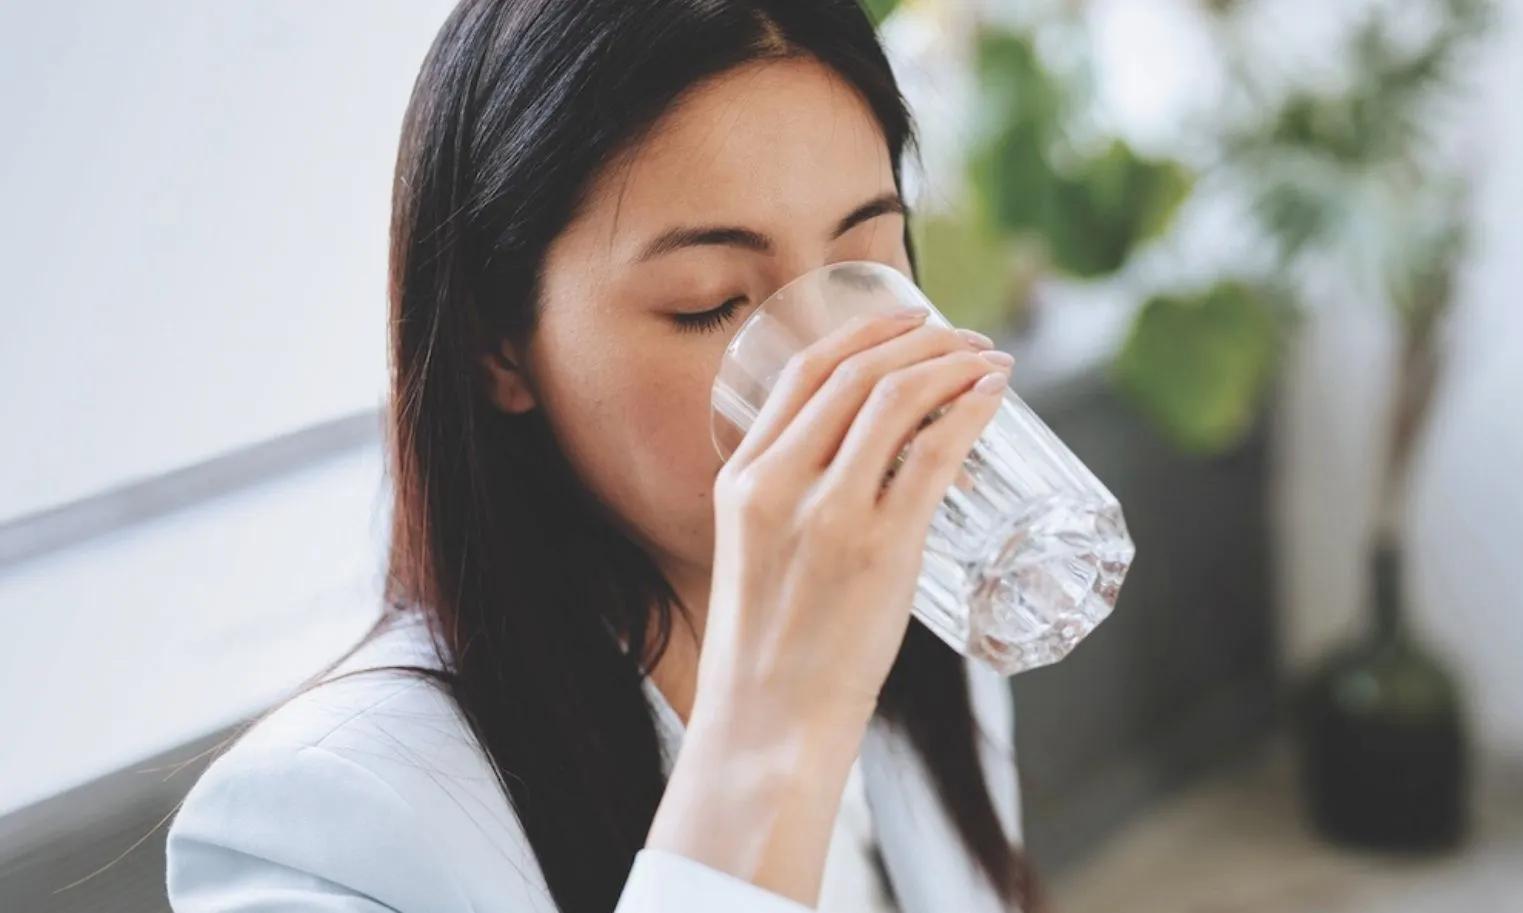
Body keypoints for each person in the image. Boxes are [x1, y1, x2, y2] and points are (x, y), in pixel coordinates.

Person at [163, 1, 1040, 911]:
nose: (830, 369)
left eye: (866, 265)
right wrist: (777, 733)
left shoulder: (930, 630)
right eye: (709, 302)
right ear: (497, 347)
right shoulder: (326, 832)